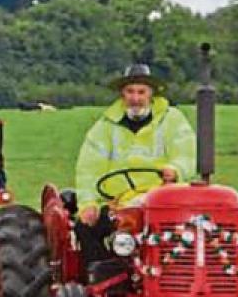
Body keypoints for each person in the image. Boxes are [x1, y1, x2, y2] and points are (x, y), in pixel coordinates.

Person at [73, 63, 196, 265]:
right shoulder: (104, 127)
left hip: (163, 200)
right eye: (130, 92)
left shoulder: (173, 120)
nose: (135, 98)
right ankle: (105, 276)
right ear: (122, 94)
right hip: (119, 202)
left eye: (141, 92)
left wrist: (176, 170)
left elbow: (187, 153)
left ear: (151, 94)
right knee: (85, 228)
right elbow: (88, 169)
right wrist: (88, 204)